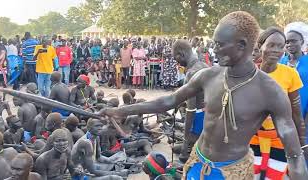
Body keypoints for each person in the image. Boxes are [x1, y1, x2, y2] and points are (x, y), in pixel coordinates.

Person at [99, 11, 308, 179]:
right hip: (196, 163)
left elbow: (294, 154)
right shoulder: (208, 76)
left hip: (232, 172)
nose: (214, 50)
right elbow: (169, 100)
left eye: (219, 44)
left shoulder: (270, 91)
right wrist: (120, 111)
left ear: (242, 45)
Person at [250, 27, 306, 179]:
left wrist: (302, 145)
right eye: (271, 45)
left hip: (279, 139)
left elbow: (296, 114)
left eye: (281, 46)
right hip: (250, 137)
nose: (277, 50)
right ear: (261, 46)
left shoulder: (290, 74)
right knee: (250, 175)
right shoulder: (248, 73)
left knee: (273, 176)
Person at [171, 40, 208, 162]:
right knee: (176, 148)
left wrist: (186, 141)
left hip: (199, 118)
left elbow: (191, 110)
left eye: (176, 59)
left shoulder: (191, 74)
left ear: (180, 54)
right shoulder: (205, 66)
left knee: (182, 155)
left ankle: (191, 145)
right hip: (209, 115)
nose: (178, 63)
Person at [280, 30, 308, 144]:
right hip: (283, 113)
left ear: (301, 41)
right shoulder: (282, 62)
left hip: (303, 112)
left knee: (303, 145)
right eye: (287, 42)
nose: (289, 44)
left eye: (293, 41)